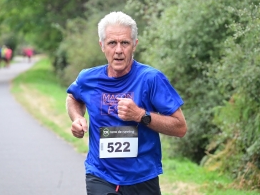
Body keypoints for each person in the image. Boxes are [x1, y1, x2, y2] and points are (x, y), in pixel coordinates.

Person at [66, 11, 187, 195]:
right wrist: (77, 118)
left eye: (125, 43)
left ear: (134, 45)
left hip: (142, 178)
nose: (119, 50)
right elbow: (73, 98)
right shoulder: (88, 79)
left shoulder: (151, 79)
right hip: (100, 174)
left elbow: (180, 127)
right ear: (102, 46)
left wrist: (141, 115)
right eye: (112, 43)